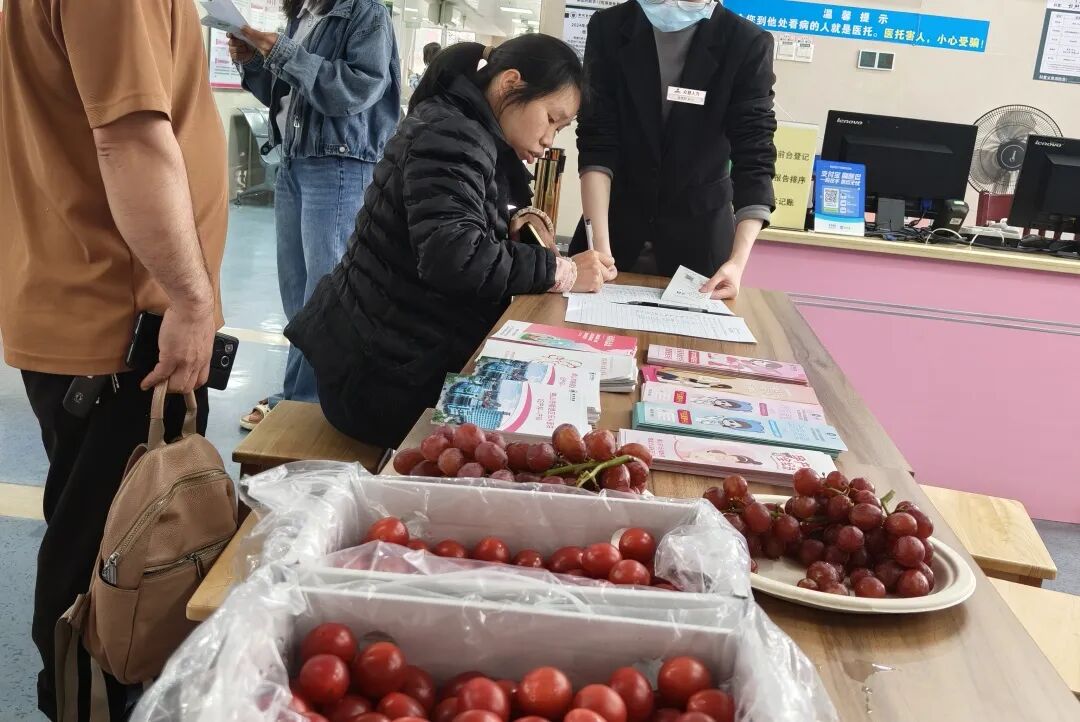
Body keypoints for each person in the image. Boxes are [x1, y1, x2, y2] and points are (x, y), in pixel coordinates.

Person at [0, 2, 227, 719]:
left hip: (97, 311)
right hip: (126, 331)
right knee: (114, 568)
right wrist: (189, 298)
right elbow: (129, 140)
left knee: (96, 539)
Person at [285, 37, 616, 448]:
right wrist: (559, 271)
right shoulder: (452, 134)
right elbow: (453, 256)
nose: (550, 139)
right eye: (551, 119)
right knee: (554, 429)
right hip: (380, 382)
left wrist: (516, 220)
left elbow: (460, 213)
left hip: (391, 358)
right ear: (510, 83)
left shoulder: (466, 126)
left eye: (560, 129)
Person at [230, 0, 401, 430]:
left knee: (323, 293)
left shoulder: (365, 12)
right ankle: (301, 393)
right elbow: (289, 92)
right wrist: (255, 62)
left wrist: (282, 52)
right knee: (296, 290)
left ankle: (304, 401)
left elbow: (355, 90)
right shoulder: (304, 14)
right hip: (295, 159)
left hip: (338, 163)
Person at [573, 0, 778, 298]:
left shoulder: (746, 42)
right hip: (613, 227)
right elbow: (597, 141)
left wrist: (737, 262)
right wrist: (600, 250)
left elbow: (755, 154)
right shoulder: (609, 27)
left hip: (700, 242)